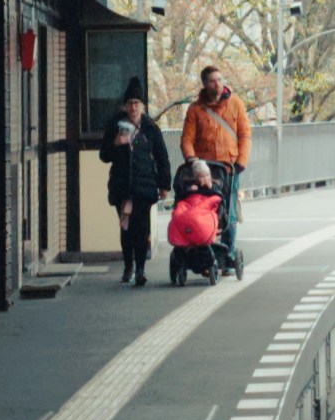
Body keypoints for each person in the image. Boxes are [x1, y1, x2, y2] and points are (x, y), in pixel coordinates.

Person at [181, 63, 252, 275]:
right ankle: (204, 252)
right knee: (204, 210)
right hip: (204, 169)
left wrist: (242, 160)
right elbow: (187, 139)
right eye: (212, 81)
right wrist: (193, 161)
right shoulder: (196, 109)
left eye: (220, 79)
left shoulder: (236, 104)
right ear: (205, 84)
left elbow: (245, 134)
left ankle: (228, 252)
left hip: (229, 167)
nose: (217, 84)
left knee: (228, 212)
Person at [102, 83, 169, 286]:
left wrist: (164, 185)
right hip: (122, 187)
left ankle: (140, 269)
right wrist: (115, 143)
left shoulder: (150, 128)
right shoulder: (115, 126)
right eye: (130, 103)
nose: (133, 108)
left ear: (143, 106)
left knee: (142, 230)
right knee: (126, 229)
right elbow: (104, 155)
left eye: (137, 103)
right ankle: (128, 267)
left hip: (144, 187)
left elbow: (162, 157)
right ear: (125, 106)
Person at [166, 157, 226, 285]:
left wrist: (211, 189)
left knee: (198, 217)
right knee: (178, 215)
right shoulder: (189, 187)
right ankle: (181, 263)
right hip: (189, 212)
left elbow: (217, 202)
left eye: (207, 175)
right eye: (201, 176)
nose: (205, 179)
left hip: (206, 213)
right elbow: (182, 203)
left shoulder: (215, 186)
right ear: (195, 177)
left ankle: (208, 263)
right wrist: (190, 191)